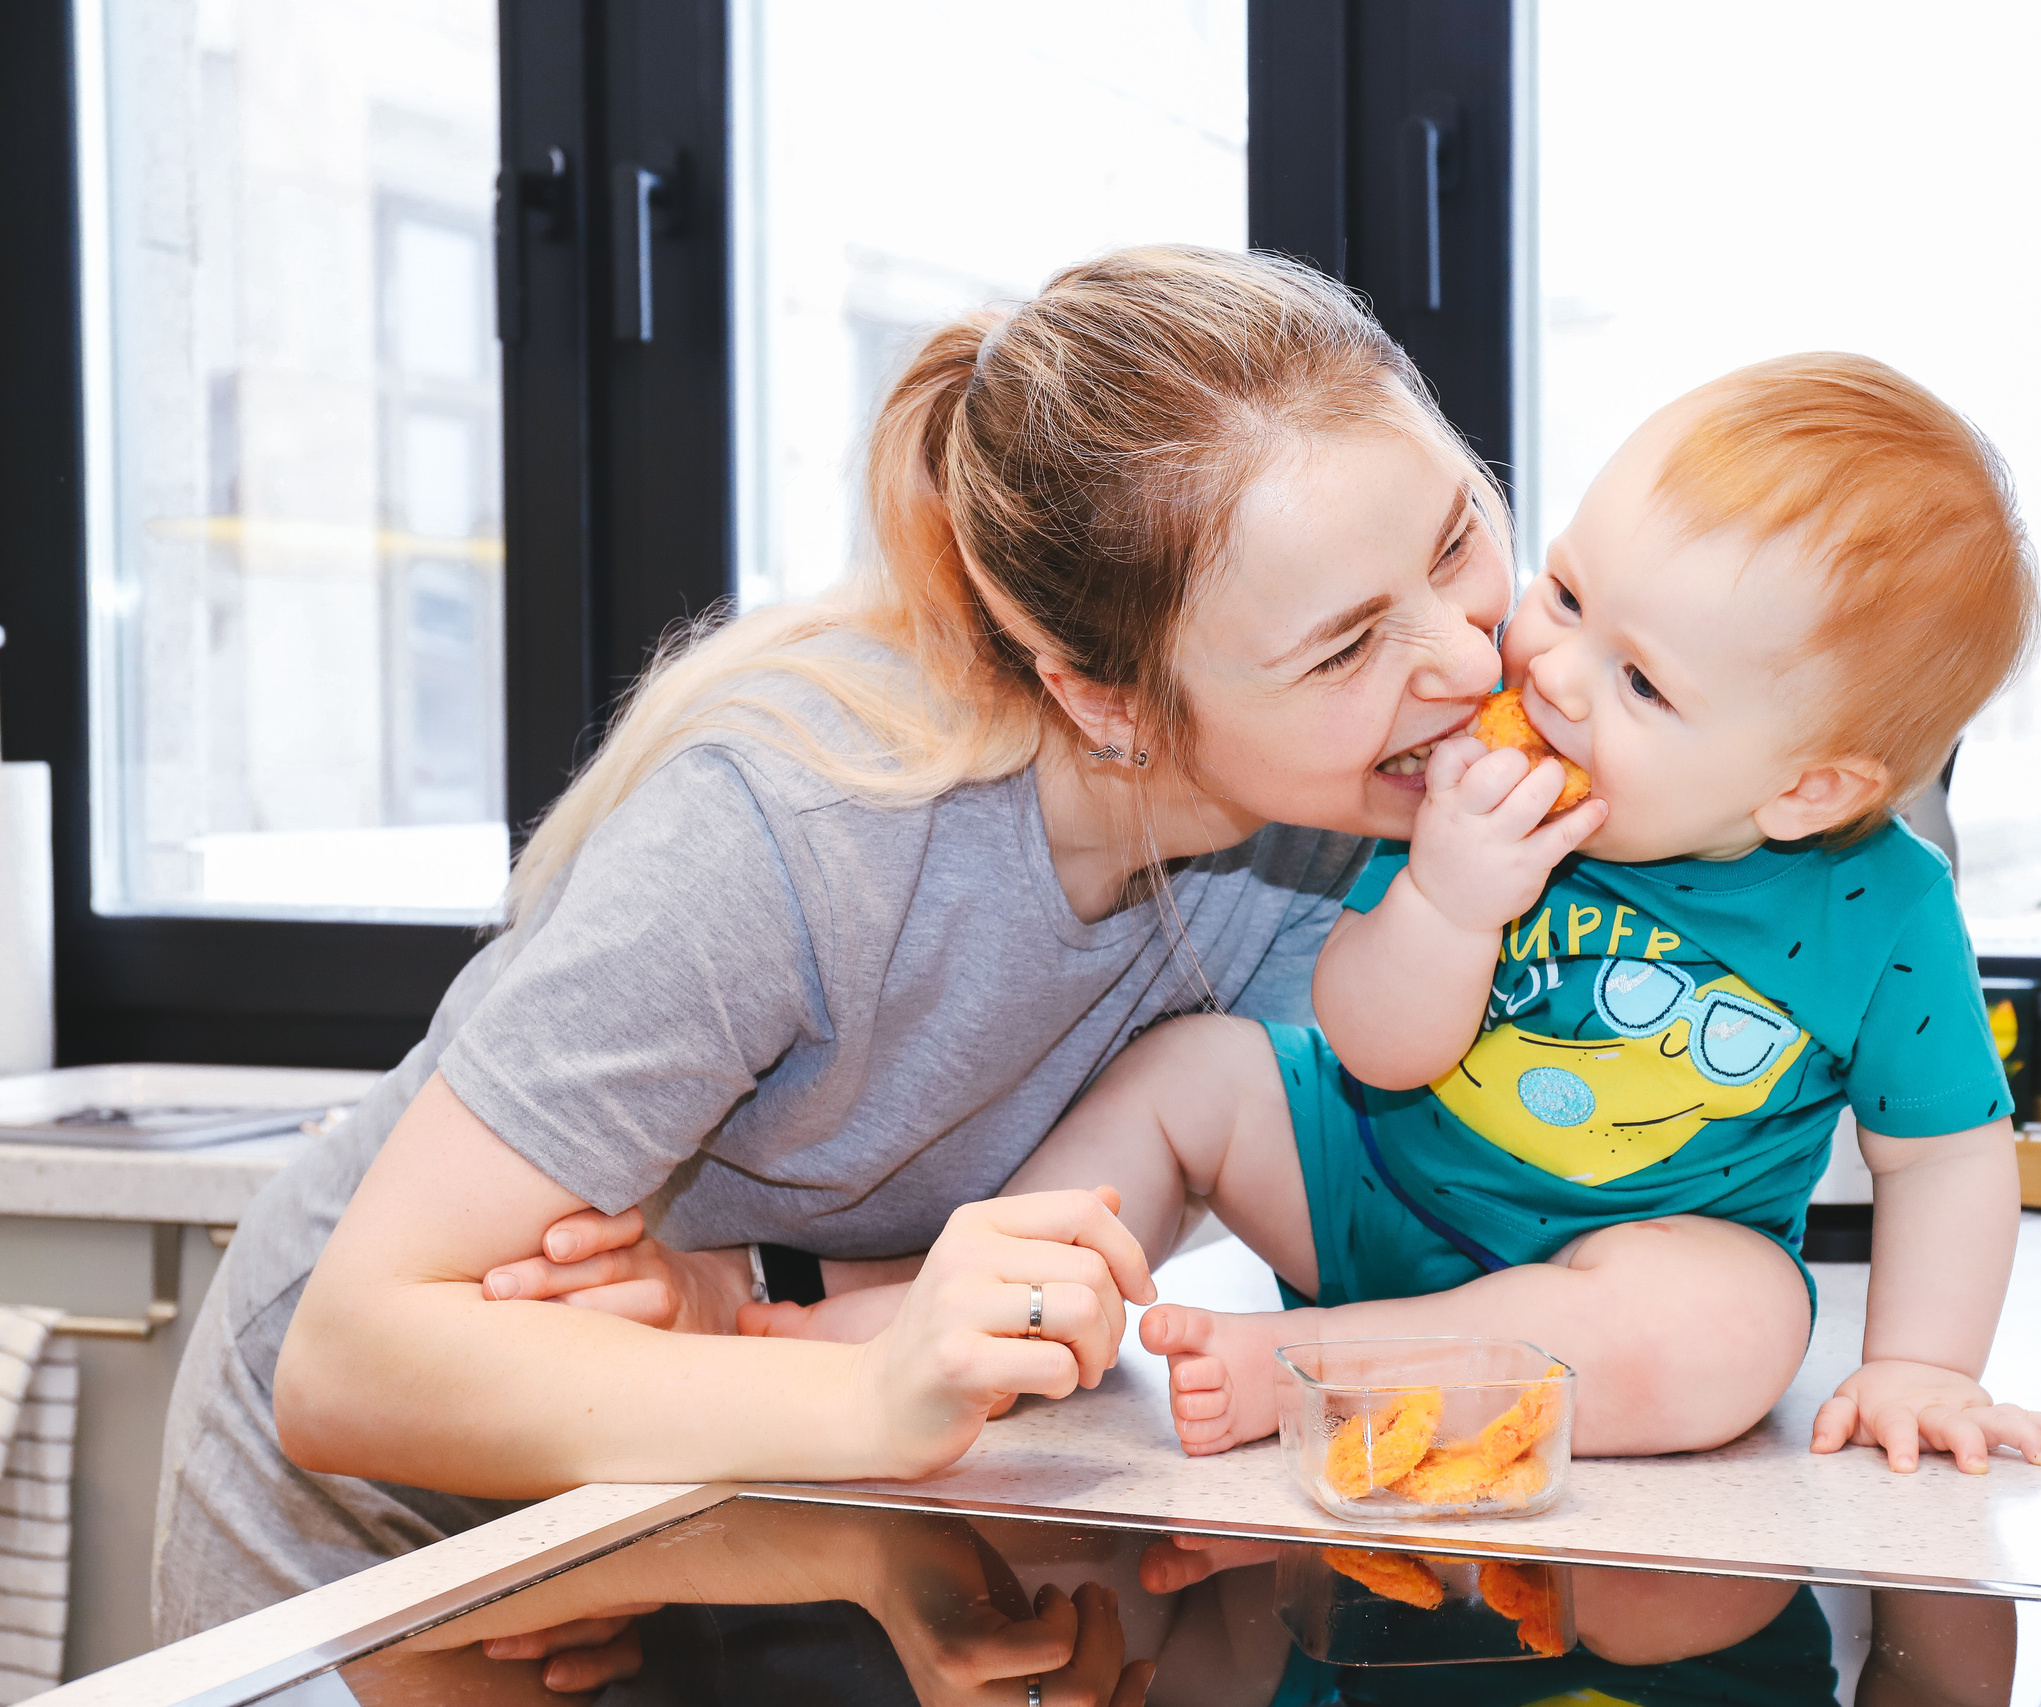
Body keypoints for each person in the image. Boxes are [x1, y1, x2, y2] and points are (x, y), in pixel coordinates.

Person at [152, 244, 1519, 1641]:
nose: (1469, 659)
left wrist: (750, 1295)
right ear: (1108, 698)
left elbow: (1180, 1144)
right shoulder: (799, 825)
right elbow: (354, 1356)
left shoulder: (1368, 815)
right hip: (386, 1513)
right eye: (1348, 648)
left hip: (733, 1479)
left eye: (1459, 535)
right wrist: (867, 1386)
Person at [999, 353, 2041, 1473]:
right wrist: (1450, 902)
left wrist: (1924, 1366)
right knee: (1192, 1074)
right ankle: (996, 1309)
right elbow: (1375, 1050)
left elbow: (1944, 1159)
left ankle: (1322, 1363)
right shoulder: (1472, 785)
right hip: (1365, 1183)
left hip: (1605, 1280)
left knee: (1734, 1328)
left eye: (1642, 684)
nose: (1553, 675)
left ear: (1804, 788)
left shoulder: (1884, 907)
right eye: (1562, 596)